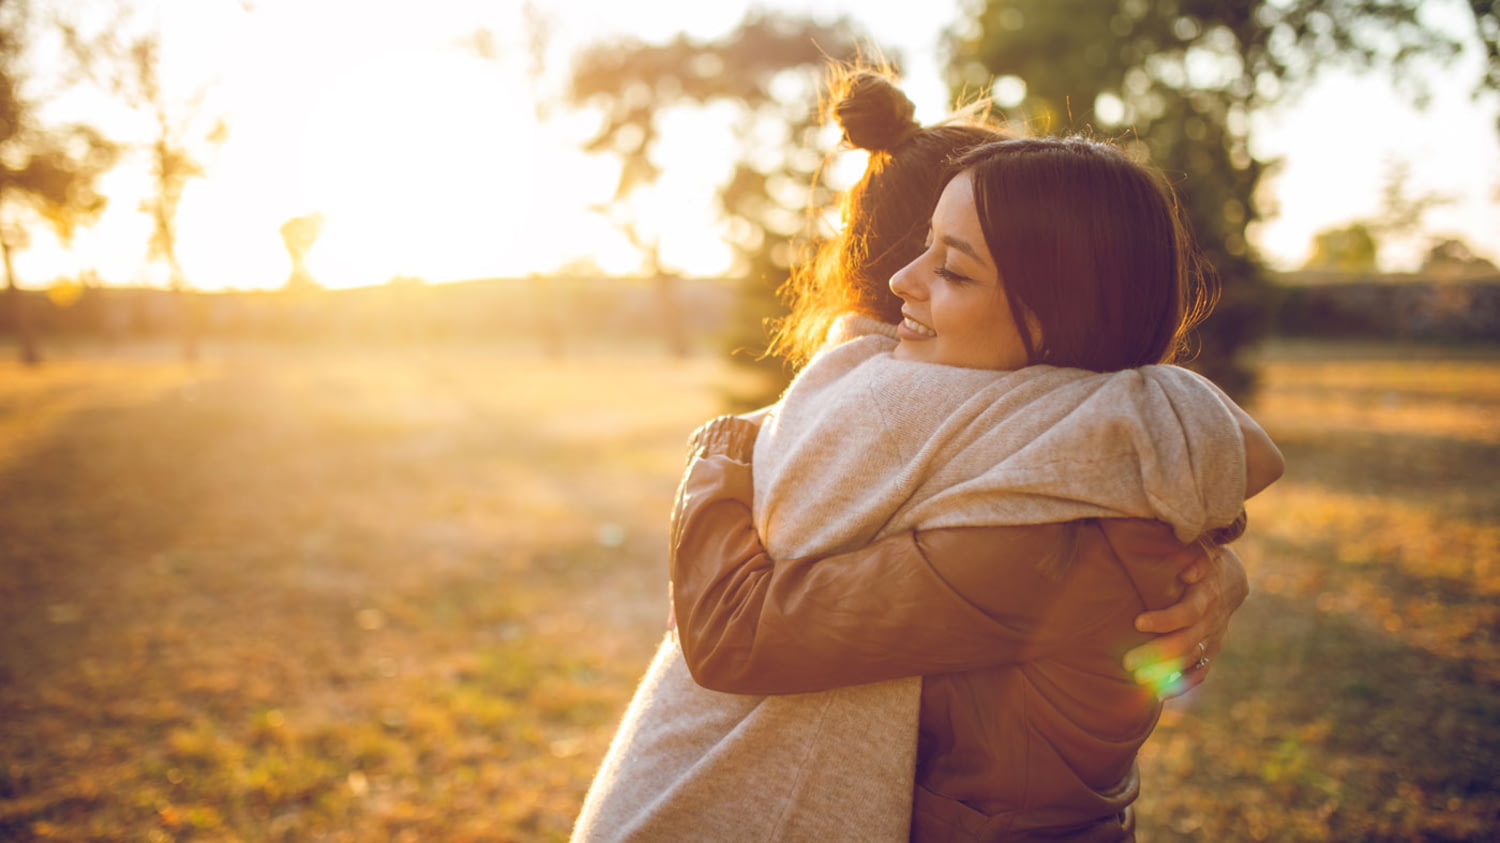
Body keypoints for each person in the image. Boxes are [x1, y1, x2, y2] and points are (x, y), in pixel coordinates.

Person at [573, 69, 1277, 841]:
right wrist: (1217, 550)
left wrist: (728, 449)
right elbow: (1198, 442)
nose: (904, 281)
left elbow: (737, 631)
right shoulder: (1053, 458)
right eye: (922, 249)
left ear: (1060, 312)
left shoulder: (1044, 534)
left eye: (953, 266)